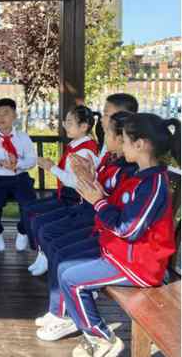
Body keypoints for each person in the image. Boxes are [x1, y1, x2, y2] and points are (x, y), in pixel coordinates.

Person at [49, 113, 178, 357]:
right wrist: (95, 189)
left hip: (139, 266)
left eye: (126, 141)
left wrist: (98, 202)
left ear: (140, 145)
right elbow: (118, 209)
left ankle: (101, 338)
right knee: (65, 267)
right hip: (123, 254)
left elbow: (128, 228)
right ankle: (93, 333)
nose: (122, 144)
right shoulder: (142, 178)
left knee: (71, 280)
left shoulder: (153, 185)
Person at [35, 111, 137, 342]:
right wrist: (91, 176)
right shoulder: (113, 160)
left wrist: (91, 184)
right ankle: (58, 310)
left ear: (124, 138)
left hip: (103, 228)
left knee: (63, 256)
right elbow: (104, 192)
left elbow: (121, 217)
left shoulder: (130, 171)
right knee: (53, 241)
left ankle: (71, 318)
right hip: (100, 223)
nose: (102, 131)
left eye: (107, 128)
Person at [28, 105, 100, 275]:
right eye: (65, 121)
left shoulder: (84, 152)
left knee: (38, 221)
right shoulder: (75, 145)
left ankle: (46, 256)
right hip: (69, 196)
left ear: (84, 126)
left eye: (69, 122)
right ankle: (42, 253)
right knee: (33, 216)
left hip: (76, 200)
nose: (65, 126)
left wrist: (51, 167)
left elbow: (75, 182)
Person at [0, 98, 37, 252]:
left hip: (19, 177)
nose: (1, 117)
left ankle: (23, 231)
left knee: (29, 203)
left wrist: (17, 163)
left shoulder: (23, 137)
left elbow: (32, 160)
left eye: (6, 113)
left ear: (14, 116)